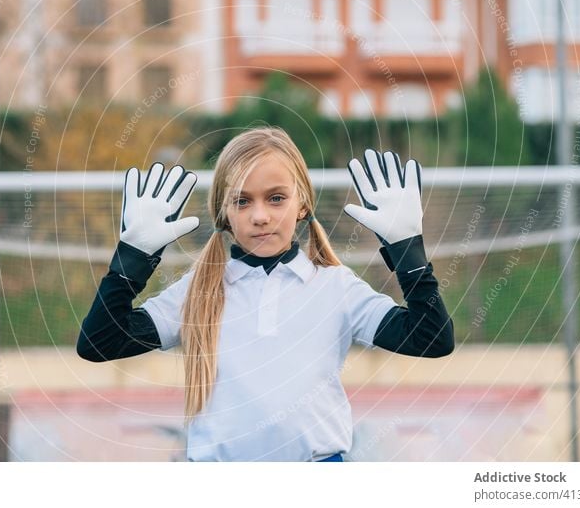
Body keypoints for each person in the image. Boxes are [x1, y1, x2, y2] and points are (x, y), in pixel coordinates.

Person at [77, 126, 454, 461]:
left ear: (302, 203)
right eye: (243, 201)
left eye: (276, 198)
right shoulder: (196, 292)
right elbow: (99, 343)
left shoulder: (336, 287)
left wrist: (408, 251)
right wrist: (132, 259)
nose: (260, 215)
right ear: (225, 212)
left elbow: (432, 338)